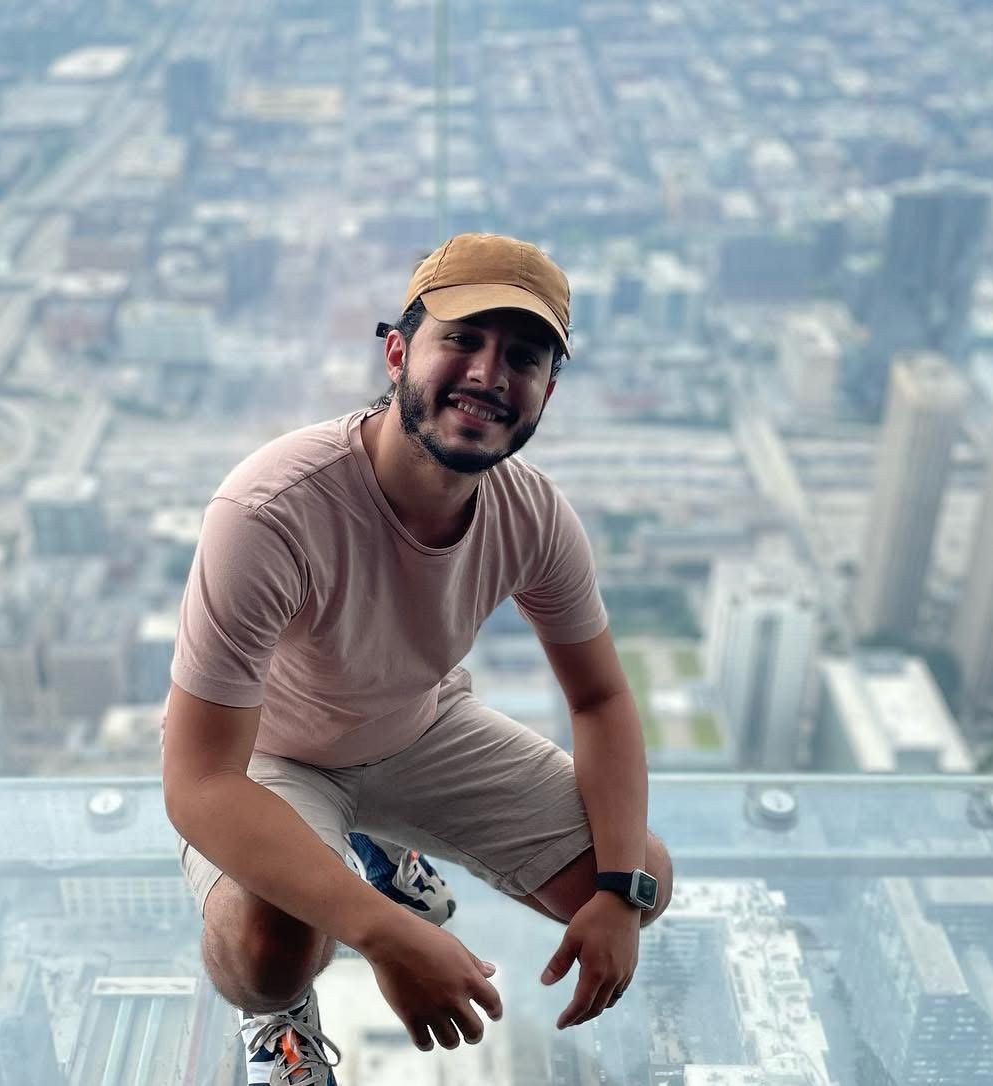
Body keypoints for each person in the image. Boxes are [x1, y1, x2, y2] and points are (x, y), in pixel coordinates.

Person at [163, 232, 673, 1084]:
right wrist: (387, 933)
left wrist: (621, 893)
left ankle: (374, 848)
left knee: (646, 870)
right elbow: (198, 782)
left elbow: (601, 700)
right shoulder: (271, 509)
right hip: (272, 758)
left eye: (523, 356)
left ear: (547, 391)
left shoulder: (534, 517)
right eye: (462, 340)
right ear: (398, 353)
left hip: (419, 727)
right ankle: (285, 1014)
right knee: (272, 949)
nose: (487, 374)